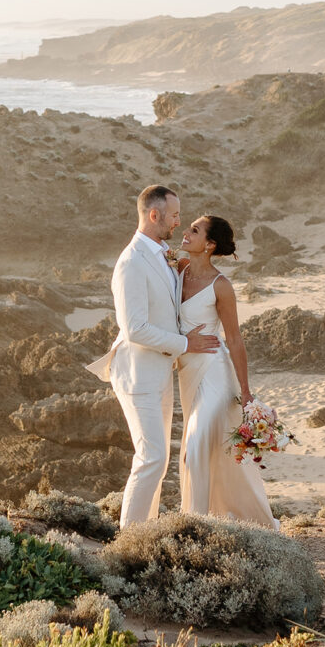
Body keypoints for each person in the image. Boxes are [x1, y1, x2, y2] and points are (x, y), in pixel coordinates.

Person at [86, 185, 220, 528]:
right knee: (151, 457)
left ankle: (145, 532)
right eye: (174, 215)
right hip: (137, 372)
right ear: (154, 215)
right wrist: (184, 343)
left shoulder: (163, 254)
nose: (179, 222)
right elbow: (135, 329)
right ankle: (129, 540)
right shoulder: (131, 262)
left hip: (160, 371)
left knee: (157, 462)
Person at [177, 214, 278, 528]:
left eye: (194, 230)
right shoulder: (176, 269)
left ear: (209, 244)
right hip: (187, 372)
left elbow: (234, 339)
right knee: (211, 450)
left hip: (215, 371)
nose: (185, 232)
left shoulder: (221, 286)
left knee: (194, 447)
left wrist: (245, 392)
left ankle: (196, 524)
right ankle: (228, 517)